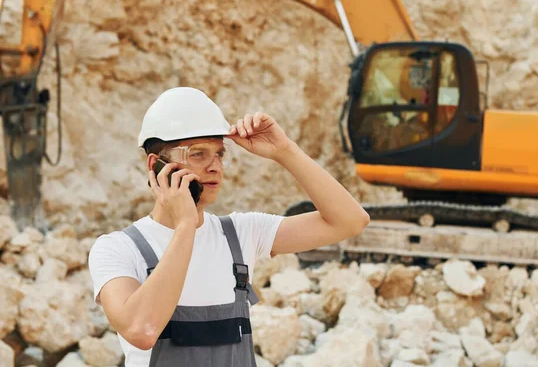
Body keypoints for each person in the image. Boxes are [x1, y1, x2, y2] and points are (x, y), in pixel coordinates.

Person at [88, 87, 370, 367]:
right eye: (198, 154)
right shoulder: (117, 249)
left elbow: (350, 221)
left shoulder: (240, 233)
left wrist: (285, 151)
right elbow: (142, 330)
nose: (215, 167)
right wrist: (185, 225)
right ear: (156, 166)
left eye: (220, 154)